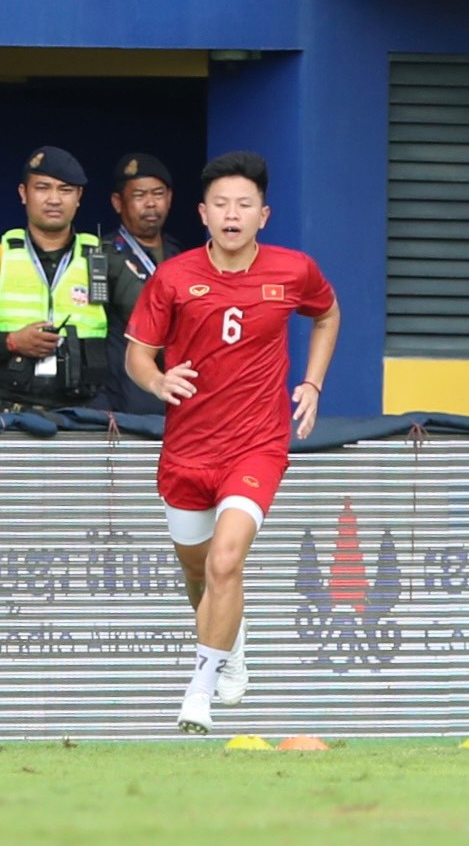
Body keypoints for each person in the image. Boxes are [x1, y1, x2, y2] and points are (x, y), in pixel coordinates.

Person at [124, 150, 340, 735]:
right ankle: (230, 641)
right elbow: (137, 355)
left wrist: (313, 383)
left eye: (244, 204)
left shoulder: (294, 271)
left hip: (258, 446)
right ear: (202, 213)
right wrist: (159, 379)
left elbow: (327, 313)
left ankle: (199, 691)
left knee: (226, 561)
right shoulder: (172, 278)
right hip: (188, 450)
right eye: (221, 204)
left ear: (263, 215)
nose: (232, 214)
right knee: (198, 573)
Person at [0, 146, 107, 413]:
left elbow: (141, 332)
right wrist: (12, 342)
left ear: (79, 196)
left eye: (65, 190)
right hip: (6, 409)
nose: (54, 199)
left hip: (82, 411)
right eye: (43, 188)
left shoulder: (103, 257)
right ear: (24, 193)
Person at [92, 152, 183, 415]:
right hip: (122, 398)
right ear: (118, 202)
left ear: (169, 198)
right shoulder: (102, 255)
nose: (151, 204)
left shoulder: (182, 256)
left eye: (158, 194)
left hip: (175, 395)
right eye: (139, 195)